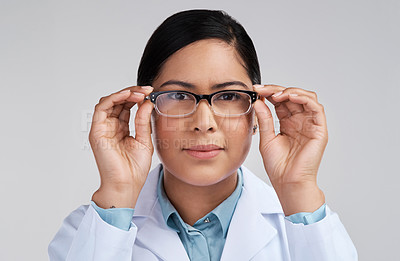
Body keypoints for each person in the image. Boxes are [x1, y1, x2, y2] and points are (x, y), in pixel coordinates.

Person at [48, 9, 357, 261]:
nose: (204, 123)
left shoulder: (307, 226)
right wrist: (118, 190)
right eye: (179, 96)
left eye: (228, 96)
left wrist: (298, 188)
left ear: (256, 111)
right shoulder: (90, 232)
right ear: (145, 109)